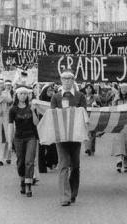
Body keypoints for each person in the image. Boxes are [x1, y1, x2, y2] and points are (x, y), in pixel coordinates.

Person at [50, 69, 87, 206]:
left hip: (75, 136)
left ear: (73, 81)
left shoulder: (80, 96)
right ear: (61, 80)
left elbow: (84, 113)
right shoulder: (56, 97)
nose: (67, 81)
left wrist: (74, 112)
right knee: (63, 165)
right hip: (61, 136)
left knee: (75, 166)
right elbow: (53, 114)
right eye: (64, 79)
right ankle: (64, 196)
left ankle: (73, 192)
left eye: (69, 79)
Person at [7, 85, 39, 197]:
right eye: (21, 93)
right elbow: (10, 126)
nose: (23, 96)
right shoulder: (13, 109)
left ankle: (28, 185)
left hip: (31, 137)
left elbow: (36, 123)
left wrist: (33, 111)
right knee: (20, 161)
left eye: (25, 94)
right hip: (18, 138)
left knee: (29, 161)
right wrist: (9, 142)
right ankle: (22, 180)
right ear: (16, 95)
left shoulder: (31, 107)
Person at [38, 84, 58, 173]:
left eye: (52, 91)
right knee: (41, 147)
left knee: (52, 145)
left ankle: (51, 162)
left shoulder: (55, 101)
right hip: (42, 125)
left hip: (52, 125)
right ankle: (42, 167)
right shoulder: (40, 101)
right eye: (49, 90)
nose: (51, 92)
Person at [0, 79, 13, 166]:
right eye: (0, 83)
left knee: (8, 137)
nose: (2, 85)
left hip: (6, 116)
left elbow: (10, 101)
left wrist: (2, 97)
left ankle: (8, 157)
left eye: (3, 83)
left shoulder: (6, 92)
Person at [82, 83, 101, 156]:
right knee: (87, 132)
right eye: (87, 88)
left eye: (90, 88)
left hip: (93, 116)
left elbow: (100, 106)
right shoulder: (83, 97)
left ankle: (92, 149)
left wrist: (96, 105)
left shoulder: (95, 97)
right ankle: (87, 148)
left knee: (92, 133)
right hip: (85, 116)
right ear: (85, 89)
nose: (88, 90)